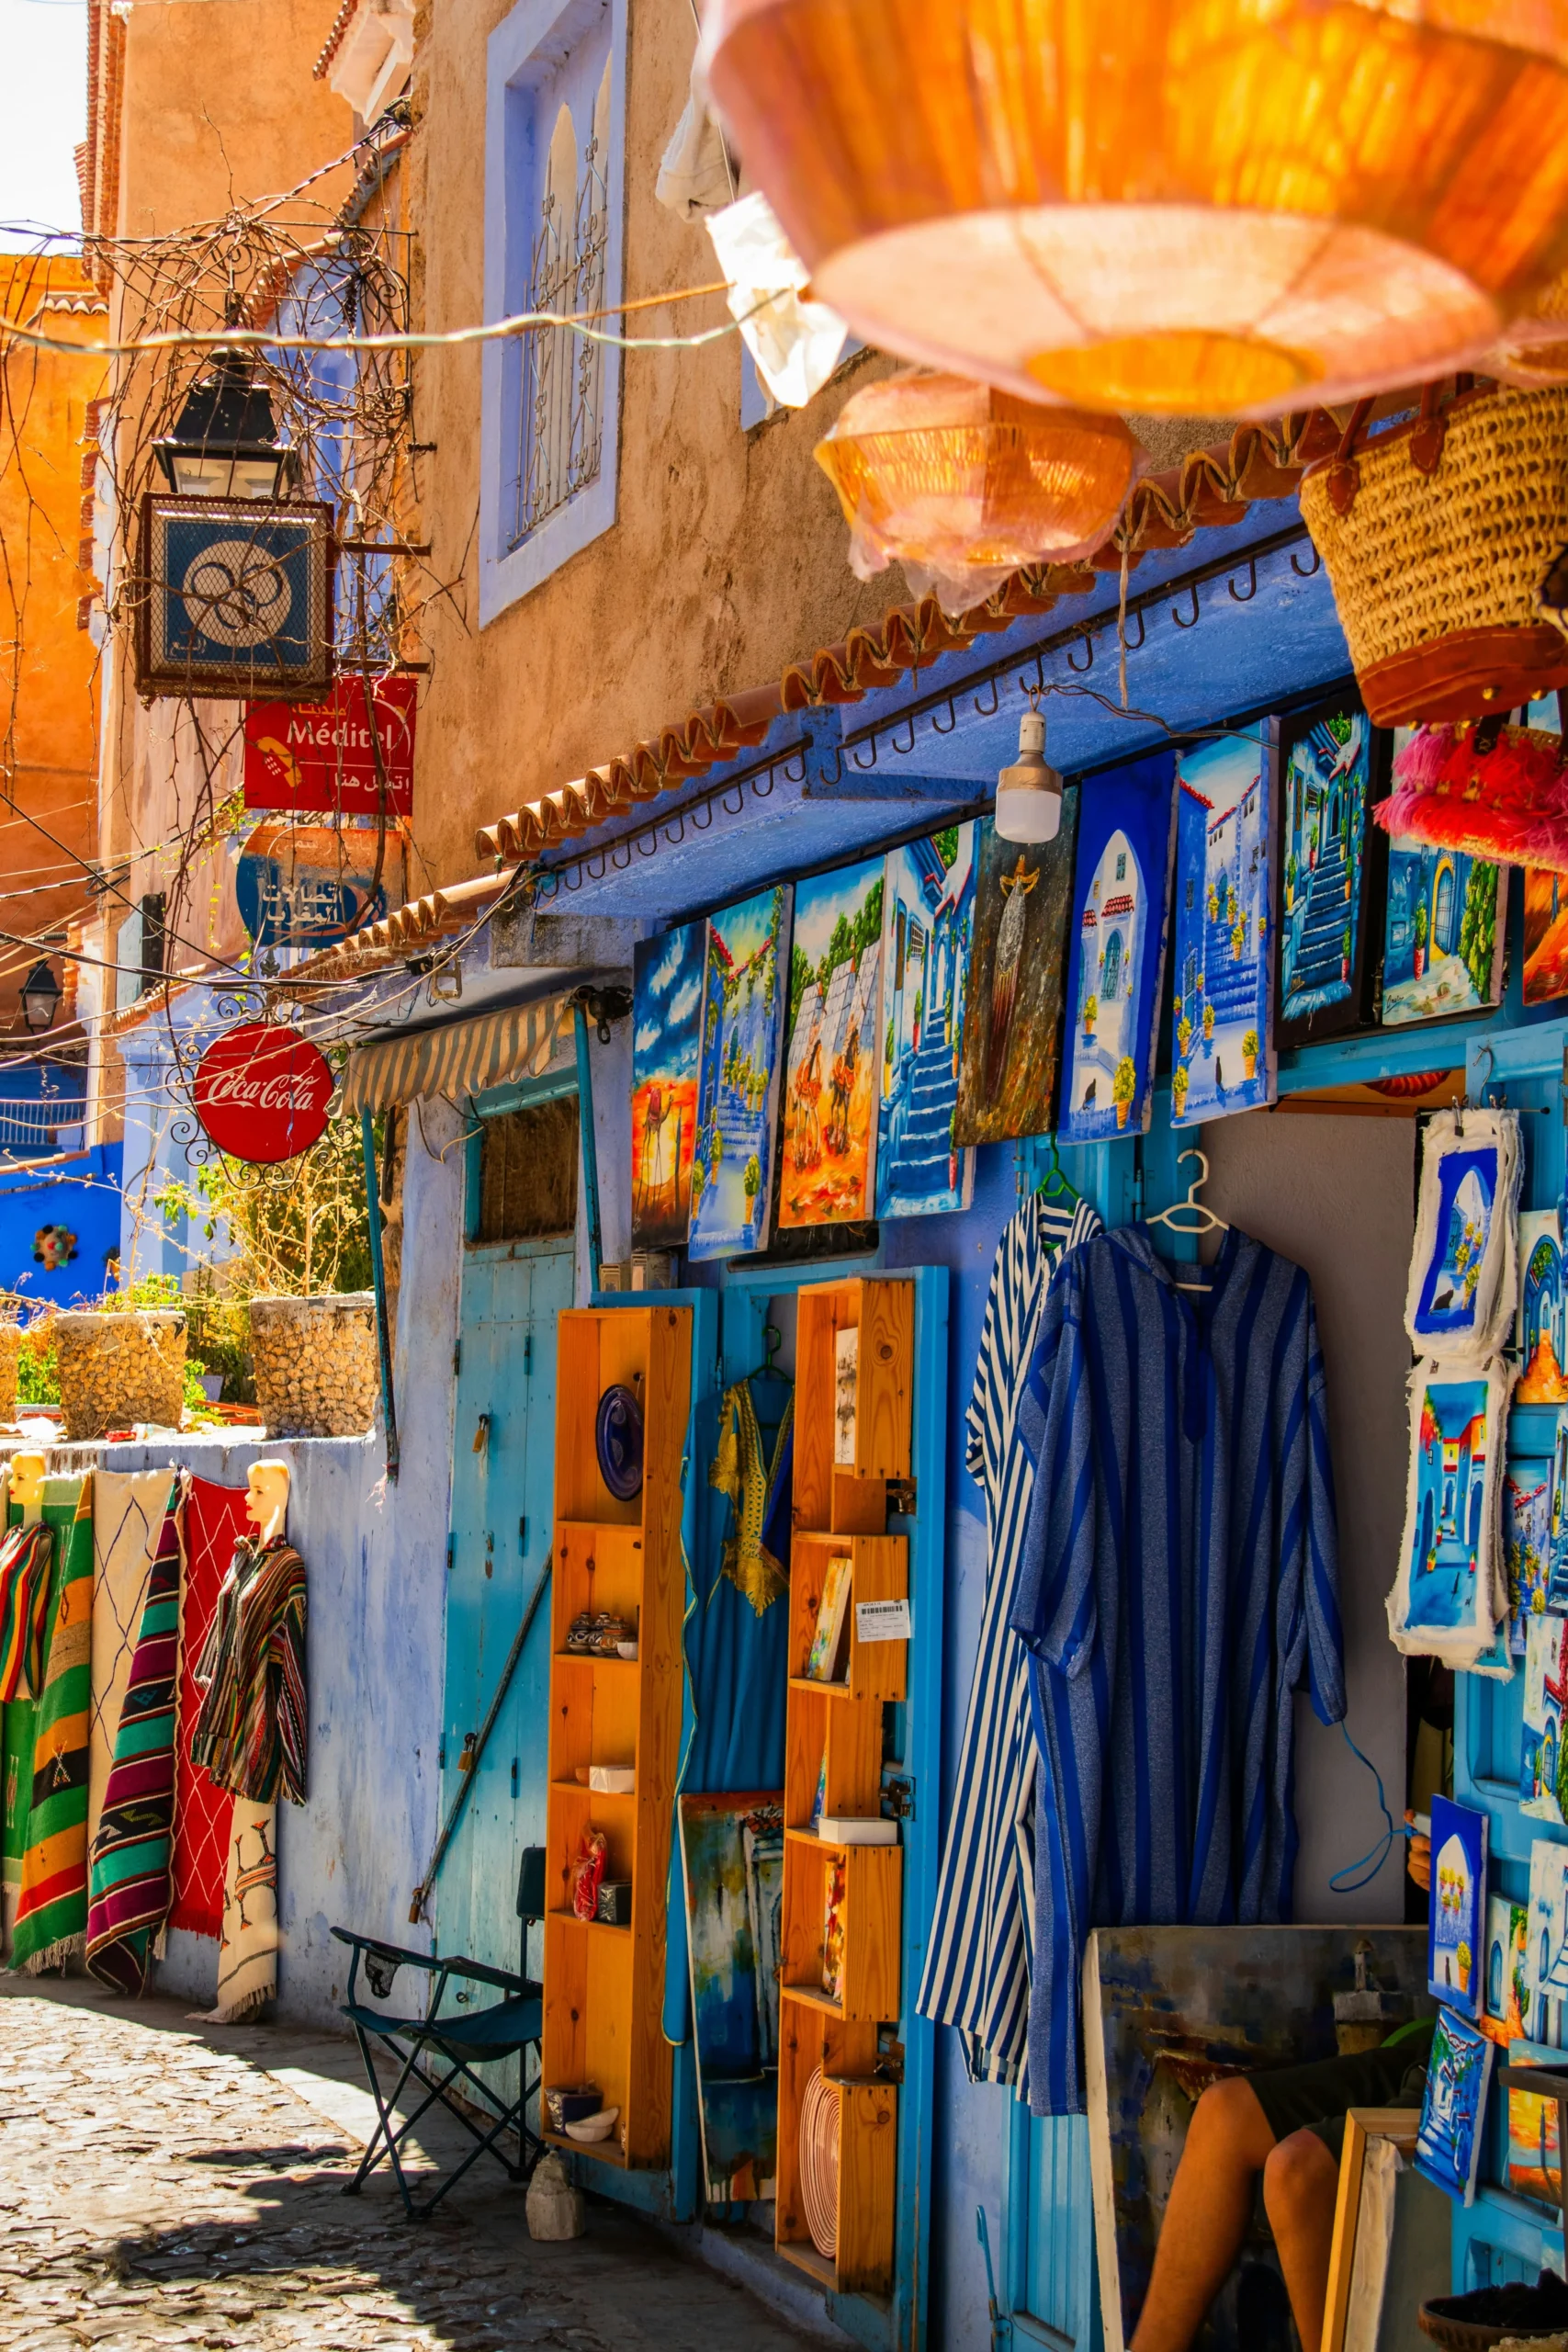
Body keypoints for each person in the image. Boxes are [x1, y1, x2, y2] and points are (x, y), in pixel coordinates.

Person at [1129, 1816, 1433, 2352]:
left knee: (1295, 2175)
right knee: (1223, 2117)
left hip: (1506, 2074)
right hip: (1443, 2041)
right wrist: (1443, 1871)